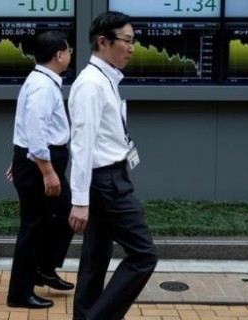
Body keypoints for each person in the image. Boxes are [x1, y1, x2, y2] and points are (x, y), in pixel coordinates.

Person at [67, 12, 158, 320]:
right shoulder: (91, 85)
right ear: (103, 42)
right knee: (144, 254)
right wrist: (79, 201)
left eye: (134, 41)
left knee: (95, 258)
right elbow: (82, 145)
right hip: (106, 182)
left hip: (110, 177)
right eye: (127, 41)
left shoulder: (106, 79)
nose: (132, 48)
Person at [6, 30, 76, 309]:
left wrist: (22, 157)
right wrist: (45, 170)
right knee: (34, 227)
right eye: (69, 50)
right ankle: (19, 293)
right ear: (59, 55)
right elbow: (35, 129)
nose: (71, 54)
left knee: (67, 211)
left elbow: (27, 125)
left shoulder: (41, 81)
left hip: (36, 159)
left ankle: (44, 268)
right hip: (41, 163)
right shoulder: (42, 86)